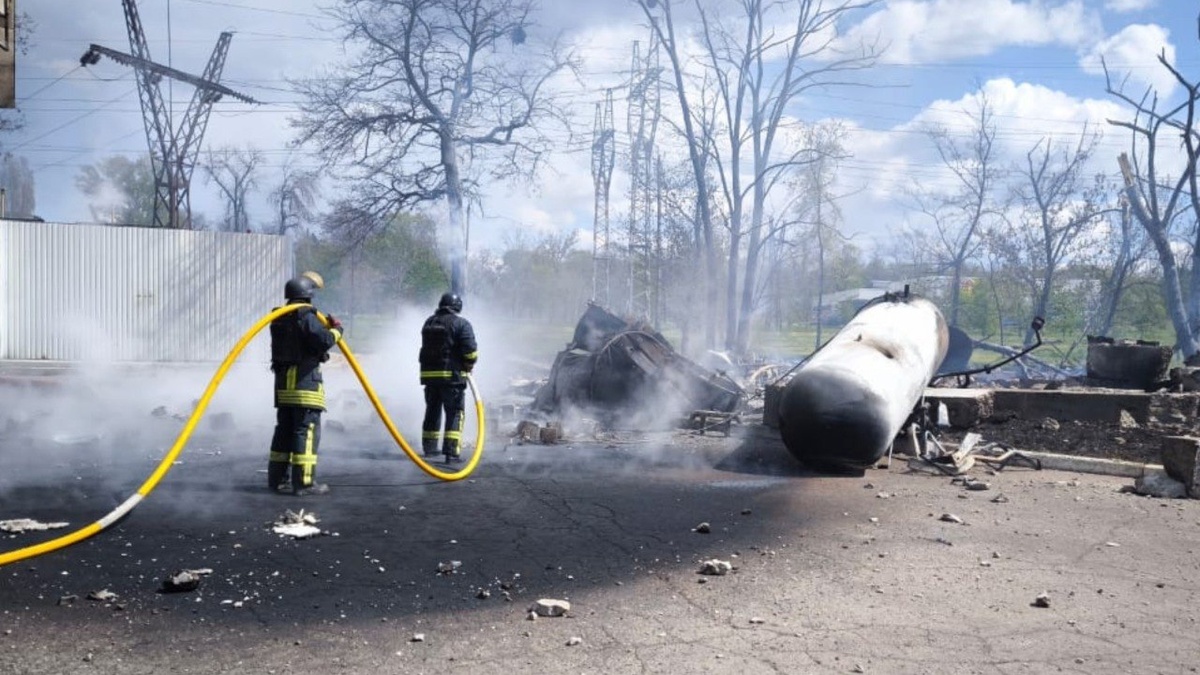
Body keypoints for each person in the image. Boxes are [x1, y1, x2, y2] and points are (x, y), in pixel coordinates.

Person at [267, 271, 343, 495]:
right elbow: (323, 341)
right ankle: (305, 483)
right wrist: (337, 329)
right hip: (304, 386)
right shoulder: (306, 315)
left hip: (283, 387)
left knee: (284, 432)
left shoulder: (279, 316)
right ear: (307, 294)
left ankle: (277, 480)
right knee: (306, 431)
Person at [419, 292, 478, 464]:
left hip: (429, 376)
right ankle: (451, 453)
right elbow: (470, 351)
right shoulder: (461, 323)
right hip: (451, 376)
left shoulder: (429, 322)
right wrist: (469, 364)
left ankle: (429, 448)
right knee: (455, 413)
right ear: (457, 306)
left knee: (432, 411)